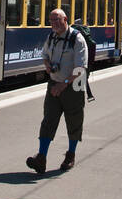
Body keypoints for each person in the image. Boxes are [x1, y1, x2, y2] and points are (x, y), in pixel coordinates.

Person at [26, 10, 89, 174]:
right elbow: (44, 54)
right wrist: (47, 64)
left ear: (65, 19)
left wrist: (63, 85)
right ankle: (41, 158)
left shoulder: (77, 39)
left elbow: (80, 68)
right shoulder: (52, 36)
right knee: (48, 121)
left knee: (74, 122)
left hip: (73, 87)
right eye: (51, 20)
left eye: (57, 19)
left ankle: (70, 155)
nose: (53, 22)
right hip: (54, 85)